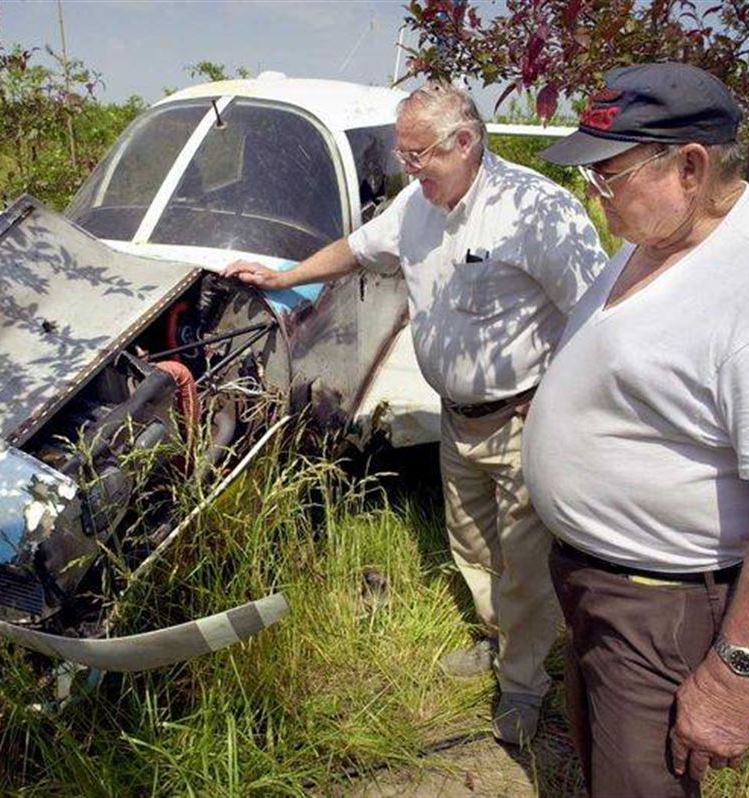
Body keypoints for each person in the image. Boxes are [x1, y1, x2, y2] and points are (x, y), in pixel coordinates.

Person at [224, 81, 606, 744]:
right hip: (457, 420)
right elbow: (360, 247)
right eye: (404, 157)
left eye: (420, 155)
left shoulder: (538, 212)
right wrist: (284, 278)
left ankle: (522, 685)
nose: (411, 169)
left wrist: (575, 411)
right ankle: (502, 644)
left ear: (465, 142)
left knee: (523, 563)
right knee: (471, 546)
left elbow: (596, 317)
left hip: (526, 420)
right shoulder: (417, 203)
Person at [524, 62, 749, 796]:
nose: (592, 193)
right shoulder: (661, 235)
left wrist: (736, 676)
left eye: (608, 176)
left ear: (690, 167)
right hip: (596, 583)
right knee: (602, 766)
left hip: (659, 608)